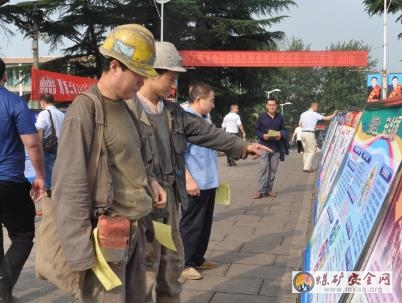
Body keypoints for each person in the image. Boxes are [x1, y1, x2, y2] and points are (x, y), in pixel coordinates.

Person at [128, 42, 271, 303]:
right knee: (144, 265)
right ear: (151, 73)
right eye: (171, 77)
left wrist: (242, 146)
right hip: (140, 203)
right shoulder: (127, 110)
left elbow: (207, 133)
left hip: (169, 201)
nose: (173, 84)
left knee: (171, 260)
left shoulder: (173, 112)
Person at [51, 24, 166, 303]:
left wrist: (150, 181)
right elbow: (69, 185)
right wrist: (80, 255)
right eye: (137, 75)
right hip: (104, 242)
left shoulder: (128, 106)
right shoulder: (86, 109)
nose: (142, 82)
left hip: (136, 233)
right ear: (115, 66)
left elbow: (133, 159)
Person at [0, 57, 45, 302]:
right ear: (5, 76)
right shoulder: (14, 102)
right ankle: (3, 286)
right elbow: (32, 143)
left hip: (8, 181)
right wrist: (40, 176)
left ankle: (3, 291)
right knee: (23, 235)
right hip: (9, 181)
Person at [179, 83, 220, 281]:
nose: (213, 104)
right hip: (194, 182)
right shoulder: (184, 119)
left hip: (208, 179)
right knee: (191, 223)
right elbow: (179, 155)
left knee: (205, 222)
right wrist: (188, 180)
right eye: (211, 100)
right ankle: (183, 263)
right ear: (198, 99)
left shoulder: (206, 118)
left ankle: (197, 258)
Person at [253, 98, 289, 199]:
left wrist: (280, 135)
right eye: (270, 105)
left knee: (273, 170)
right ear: (266, 106)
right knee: (263, 169)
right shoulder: (261, 117)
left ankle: (268, 190)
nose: (272, 106)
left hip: (276, 147)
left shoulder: (280, 117)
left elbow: (284, 130)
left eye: (273, 105)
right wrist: (262, 136)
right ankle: (259, 191)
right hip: (264, 146)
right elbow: (257, 130)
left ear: (276, 106)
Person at [35, 93, 65, 196]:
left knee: (48, 171)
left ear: (43, 102)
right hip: (61, 146)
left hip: (49, 147)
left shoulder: (43, 114)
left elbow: (39, 130)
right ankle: (59, 191)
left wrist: (38, 148)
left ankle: (50, 193)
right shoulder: (61, 114)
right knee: (59, 170)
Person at [299, 101, 338, 172]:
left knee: (306, 151)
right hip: (310, 133)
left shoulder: (303, 114)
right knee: (312, 151)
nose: (317, 109)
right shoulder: (314, 114)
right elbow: (327, 118)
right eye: (317, 107)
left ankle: (306, 166)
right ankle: (306, 167)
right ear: (314, 106)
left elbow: (300, 124)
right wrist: (334, 114)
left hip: (303, 133)